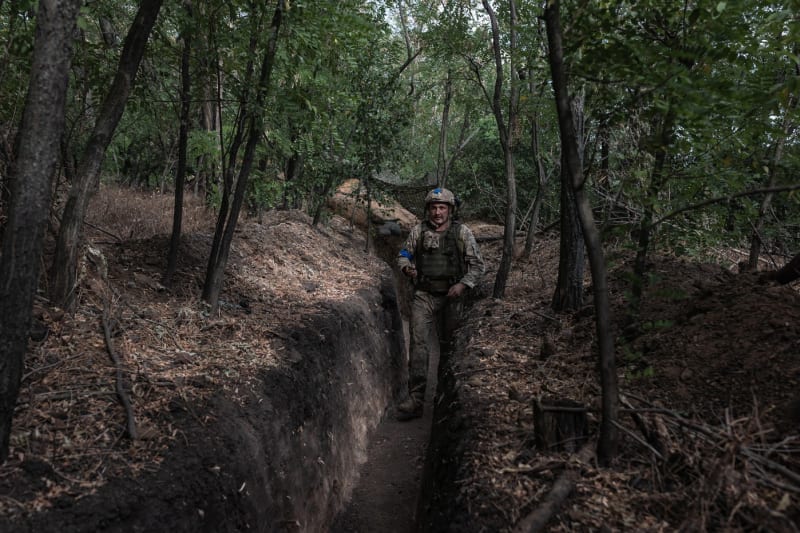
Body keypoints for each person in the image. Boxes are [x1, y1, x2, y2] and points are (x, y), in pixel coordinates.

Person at [395, 187, 485, 420]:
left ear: (450, 210)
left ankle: (444, 398)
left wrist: (463, 285)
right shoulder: (418, 231)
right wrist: (407, 266)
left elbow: (477, 266)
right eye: (434, 208)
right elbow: (403, 254)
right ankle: (416, 399)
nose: (437, 212)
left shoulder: (462, 233)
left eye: (442, 207)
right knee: (418, 345)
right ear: (428, 210)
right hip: (424, 295)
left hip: (452, 297)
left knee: (449, 347)